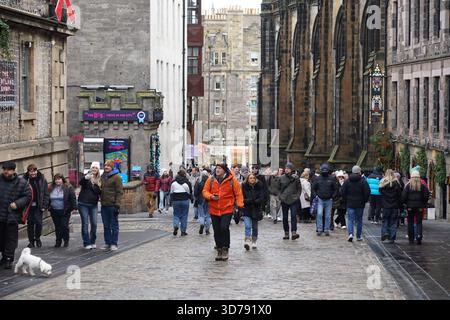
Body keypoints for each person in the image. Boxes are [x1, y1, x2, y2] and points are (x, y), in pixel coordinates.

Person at [203, 163, 244, 261]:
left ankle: (225, 248)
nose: (217, 170)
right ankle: (219, 249)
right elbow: (204, 191)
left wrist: (240, 204)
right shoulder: (211, 179)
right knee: (216, 230)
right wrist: (211, 196)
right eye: (217, 168)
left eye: (220, 168)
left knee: (224, 228)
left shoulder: (231, 180)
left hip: (227, 208)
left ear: (224, 170)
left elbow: (238, 193)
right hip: (214, 209)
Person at [0, 161, 32, 269]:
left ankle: (8, 258)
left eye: (8, 169)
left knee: (11, 238)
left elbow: (28, 196)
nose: (5, 171)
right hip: (0, 214)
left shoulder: (22, 182)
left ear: (13, 170)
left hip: (12, 215)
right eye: (4, 169)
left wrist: (17, 204)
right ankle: (3, 257)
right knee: (1, 238)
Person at [341, 166, 370, 242]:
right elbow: (367, 192)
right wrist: (365, 200)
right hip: (360, 203)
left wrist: (346, 200)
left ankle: (350, 234)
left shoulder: (347, 181)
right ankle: (358, 236)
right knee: (359, 220)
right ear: (359, 172)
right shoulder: (363, 181)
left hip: (350, 203)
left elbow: (342, 191)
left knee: (350, 219)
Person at [23, 164, 49, 248]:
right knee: (30, 224)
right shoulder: (24, 180)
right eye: (31, 172)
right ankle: (31, 241)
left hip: (39, 205)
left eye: (34, 171)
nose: (33, 173)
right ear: (28, 172)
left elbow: (46, 193)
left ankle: (37, 238)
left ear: (36, 171)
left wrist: (44, 205)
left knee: (39, 223)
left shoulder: (42, 179)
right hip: (28, 206)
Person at [78, 161, 102, 250]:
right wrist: (86, 178)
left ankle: (92, 241)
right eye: (93, 168)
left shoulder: (100, 180)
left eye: (96, 168)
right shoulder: (86, 177)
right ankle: (86, 242)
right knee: (85, 223)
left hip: (93, 204)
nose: (94, 169)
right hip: (83, 203)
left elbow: (100, 192)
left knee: (94, 223)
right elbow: (81, 182)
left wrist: (96, 185)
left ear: (98, 170)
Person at [100, 160, 123, 251]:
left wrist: (117, 205)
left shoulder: (117, 177)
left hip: (112, 205)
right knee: (106, 225)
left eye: (108, 166)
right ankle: (107, 242)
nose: (106, 167)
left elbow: (119, 192)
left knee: (114, 225)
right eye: (105, 165)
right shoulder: (103, 177)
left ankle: (114, 243)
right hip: (104, 204)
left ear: (112, 167)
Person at [402, 171, 430, 245]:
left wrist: (406, 203)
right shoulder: (422, 186)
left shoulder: (408, 186)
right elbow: (426, 196)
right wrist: (423, 203)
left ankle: (411, 238)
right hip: (419, 207)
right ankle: (418, 236)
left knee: (410, 222)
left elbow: (404, 196)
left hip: (410, 206)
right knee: (419, 222)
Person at [49, 174, 77, 248]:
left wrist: (74, 207)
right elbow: (47, 197)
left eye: (59, 179)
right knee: (57, 226)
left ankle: (66, 240)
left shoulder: (68, 187)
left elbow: (72, 197)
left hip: (65, 210)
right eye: (56, 179)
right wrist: (48, 206)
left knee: (64, 226)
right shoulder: (51, 188)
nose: (57, 181)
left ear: (62, 179)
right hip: (54, 210)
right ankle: (58, 241)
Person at [312, 163, 337, 236]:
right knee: (319, 214)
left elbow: (335, 189)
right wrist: (315, 196)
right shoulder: (318, 178)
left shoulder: (331, 178)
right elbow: (313, 188)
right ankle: (319, 229)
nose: (324, 172)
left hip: (329, 199)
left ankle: (326, 229)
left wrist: (333, 196)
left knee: (328, 216)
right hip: (320, 199)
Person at [279, 162, 302, 240]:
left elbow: (299, 188)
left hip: (293, 200)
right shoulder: (281, 178)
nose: (286, 170)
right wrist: (281, 197)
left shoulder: (296, 178)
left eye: (288, 168)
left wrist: (297, 196)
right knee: (285, 217)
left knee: (293, 216)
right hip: (284, 200)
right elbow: (278, 188)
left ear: (291, 170)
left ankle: (294, 232)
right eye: (286, 168)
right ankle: (286, 233)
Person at [242, 173, 264, 250]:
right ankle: (247, 240)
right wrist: (248, 201)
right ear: (248, 179)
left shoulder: (259, 187)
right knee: (248, 226)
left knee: (255, 227)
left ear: (255, 179)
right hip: (247, 209)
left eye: (253, 178)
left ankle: (254, 241)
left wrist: (255, 201)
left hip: (256, 209)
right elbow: (242, 198)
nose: (252, 179)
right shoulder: (244, 187)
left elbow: (262, 197)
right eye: (250, 178)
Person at [379, 169, 402, 243]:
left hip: (386, 206)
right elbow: (399, 196)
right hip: (394, 206)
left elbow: (381, 193)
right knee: (393, 222)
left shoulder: (383, 184)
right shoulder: (397, 184)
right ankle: (392, 237)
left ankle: (384, 233)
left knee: (385, 220)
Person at [170, 169, 193, 236]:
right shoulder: (187, 182)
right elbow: (189, 192)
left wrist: (171, 200)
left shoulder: (173, 182)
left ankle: (176, 225)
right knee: (184, 215)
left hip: (176, 200)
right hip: (185, 200)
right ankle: (183, 231)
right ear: (184, 175)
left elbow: (171, 192)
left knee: (176, 214)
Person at [195, 170, 211, 235]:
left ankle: (202, 224)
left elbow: (195, 193)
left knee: (201, 214)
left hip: (200, 200)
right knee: (208, 215)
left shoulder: (199, 183)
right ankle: (207, 230)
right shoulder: (211, 183)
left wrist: (197, 197)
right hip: (208, 199)